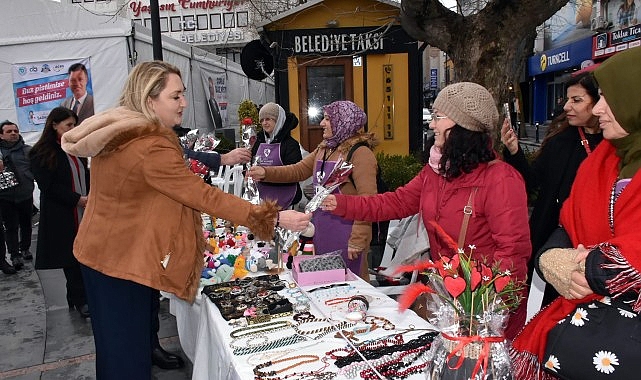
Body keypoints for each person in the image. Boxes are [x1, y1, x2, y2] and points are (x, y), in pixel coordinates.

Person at [60, 60, 311, 379]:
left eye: (183, 94)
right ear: (150, 100)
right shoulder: (148, 144)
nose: (183, 103)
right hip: (118, 261)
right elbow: (202, 195)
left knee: (117, 352)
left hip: (107, 253)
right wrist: (271, 217)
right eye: (175, 96)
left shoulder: (125, 129)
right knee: (126, 360)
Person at [321, 83, 531, 340]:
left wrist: (487, 310)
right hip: (446, 299)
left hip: (484, 312)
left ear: (463, 125)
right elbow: (395, 203)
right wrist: (342, 204)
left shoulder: (501, 179)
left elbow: (512, 256)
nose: (432, 125)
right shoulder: (436, 171)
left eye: (438, 117)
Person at [511, 46, 641, 380]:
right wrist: (551, 258)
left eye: (606, 98)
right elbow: (567, 224)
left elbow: (629, 260)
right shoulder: (603, 161)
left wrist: (584, 264)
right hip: (588, 337)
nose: (599, 109)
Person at [501, 72, 603, 309]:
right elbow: (532, 182)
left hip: (592, 247)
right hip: (549, 240)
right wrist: (515, 152)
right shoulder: (560, 139)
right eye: (567, 100)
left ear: (599, 101)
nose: (567, 106)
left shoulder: (615, 145)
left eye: (577, 100)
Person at [249, 100, 378, 280]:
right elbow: (298, 170)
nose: (321, 123)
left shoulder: (360, 153)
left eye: (327, 119)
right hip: (322, 229)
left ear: (342, 121)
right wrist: (265, 172)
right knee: (325, 282)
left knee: (349, 286)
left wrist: (358, 239)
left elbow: (368, 200)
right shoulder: (324, 148)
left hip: (347, 235)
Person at [30, 107, 90, 318]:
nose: (73, 129)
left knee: (83, 256)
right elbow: (49, 186)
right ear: (54, 125)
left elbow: (85, 175)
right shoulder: (41, 152)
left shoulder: (75, 148)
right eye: (68, 125)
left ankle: (75, 297)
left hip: (83, 210)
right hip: (62, 214)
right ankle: (81, 300)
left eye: (75, 125)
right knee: (71, 259)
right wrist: (77, 199)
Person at [251, 102, 303, 209]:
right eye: (262, 120)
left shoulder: (290, 144)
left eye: (268, 119)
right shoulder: (259, 142)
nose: (265, 123)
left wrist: (266, 173)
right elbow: (250, 164)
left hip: (287, 200)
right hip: (263, 200)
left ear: (278, 120)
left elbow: (295, 174)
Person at [0, 120, 35, 271]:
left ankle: (25, 248)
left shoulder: (28, 150)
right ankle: (14, 255)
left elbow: (37, 168)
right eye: (9, 131)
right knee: (11, 226)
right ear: (1, 135)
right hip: (5, 197)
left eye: (15, 131)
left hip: (25, 193)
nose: (13, 133)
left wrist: (28, 177)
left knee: (26, 222)